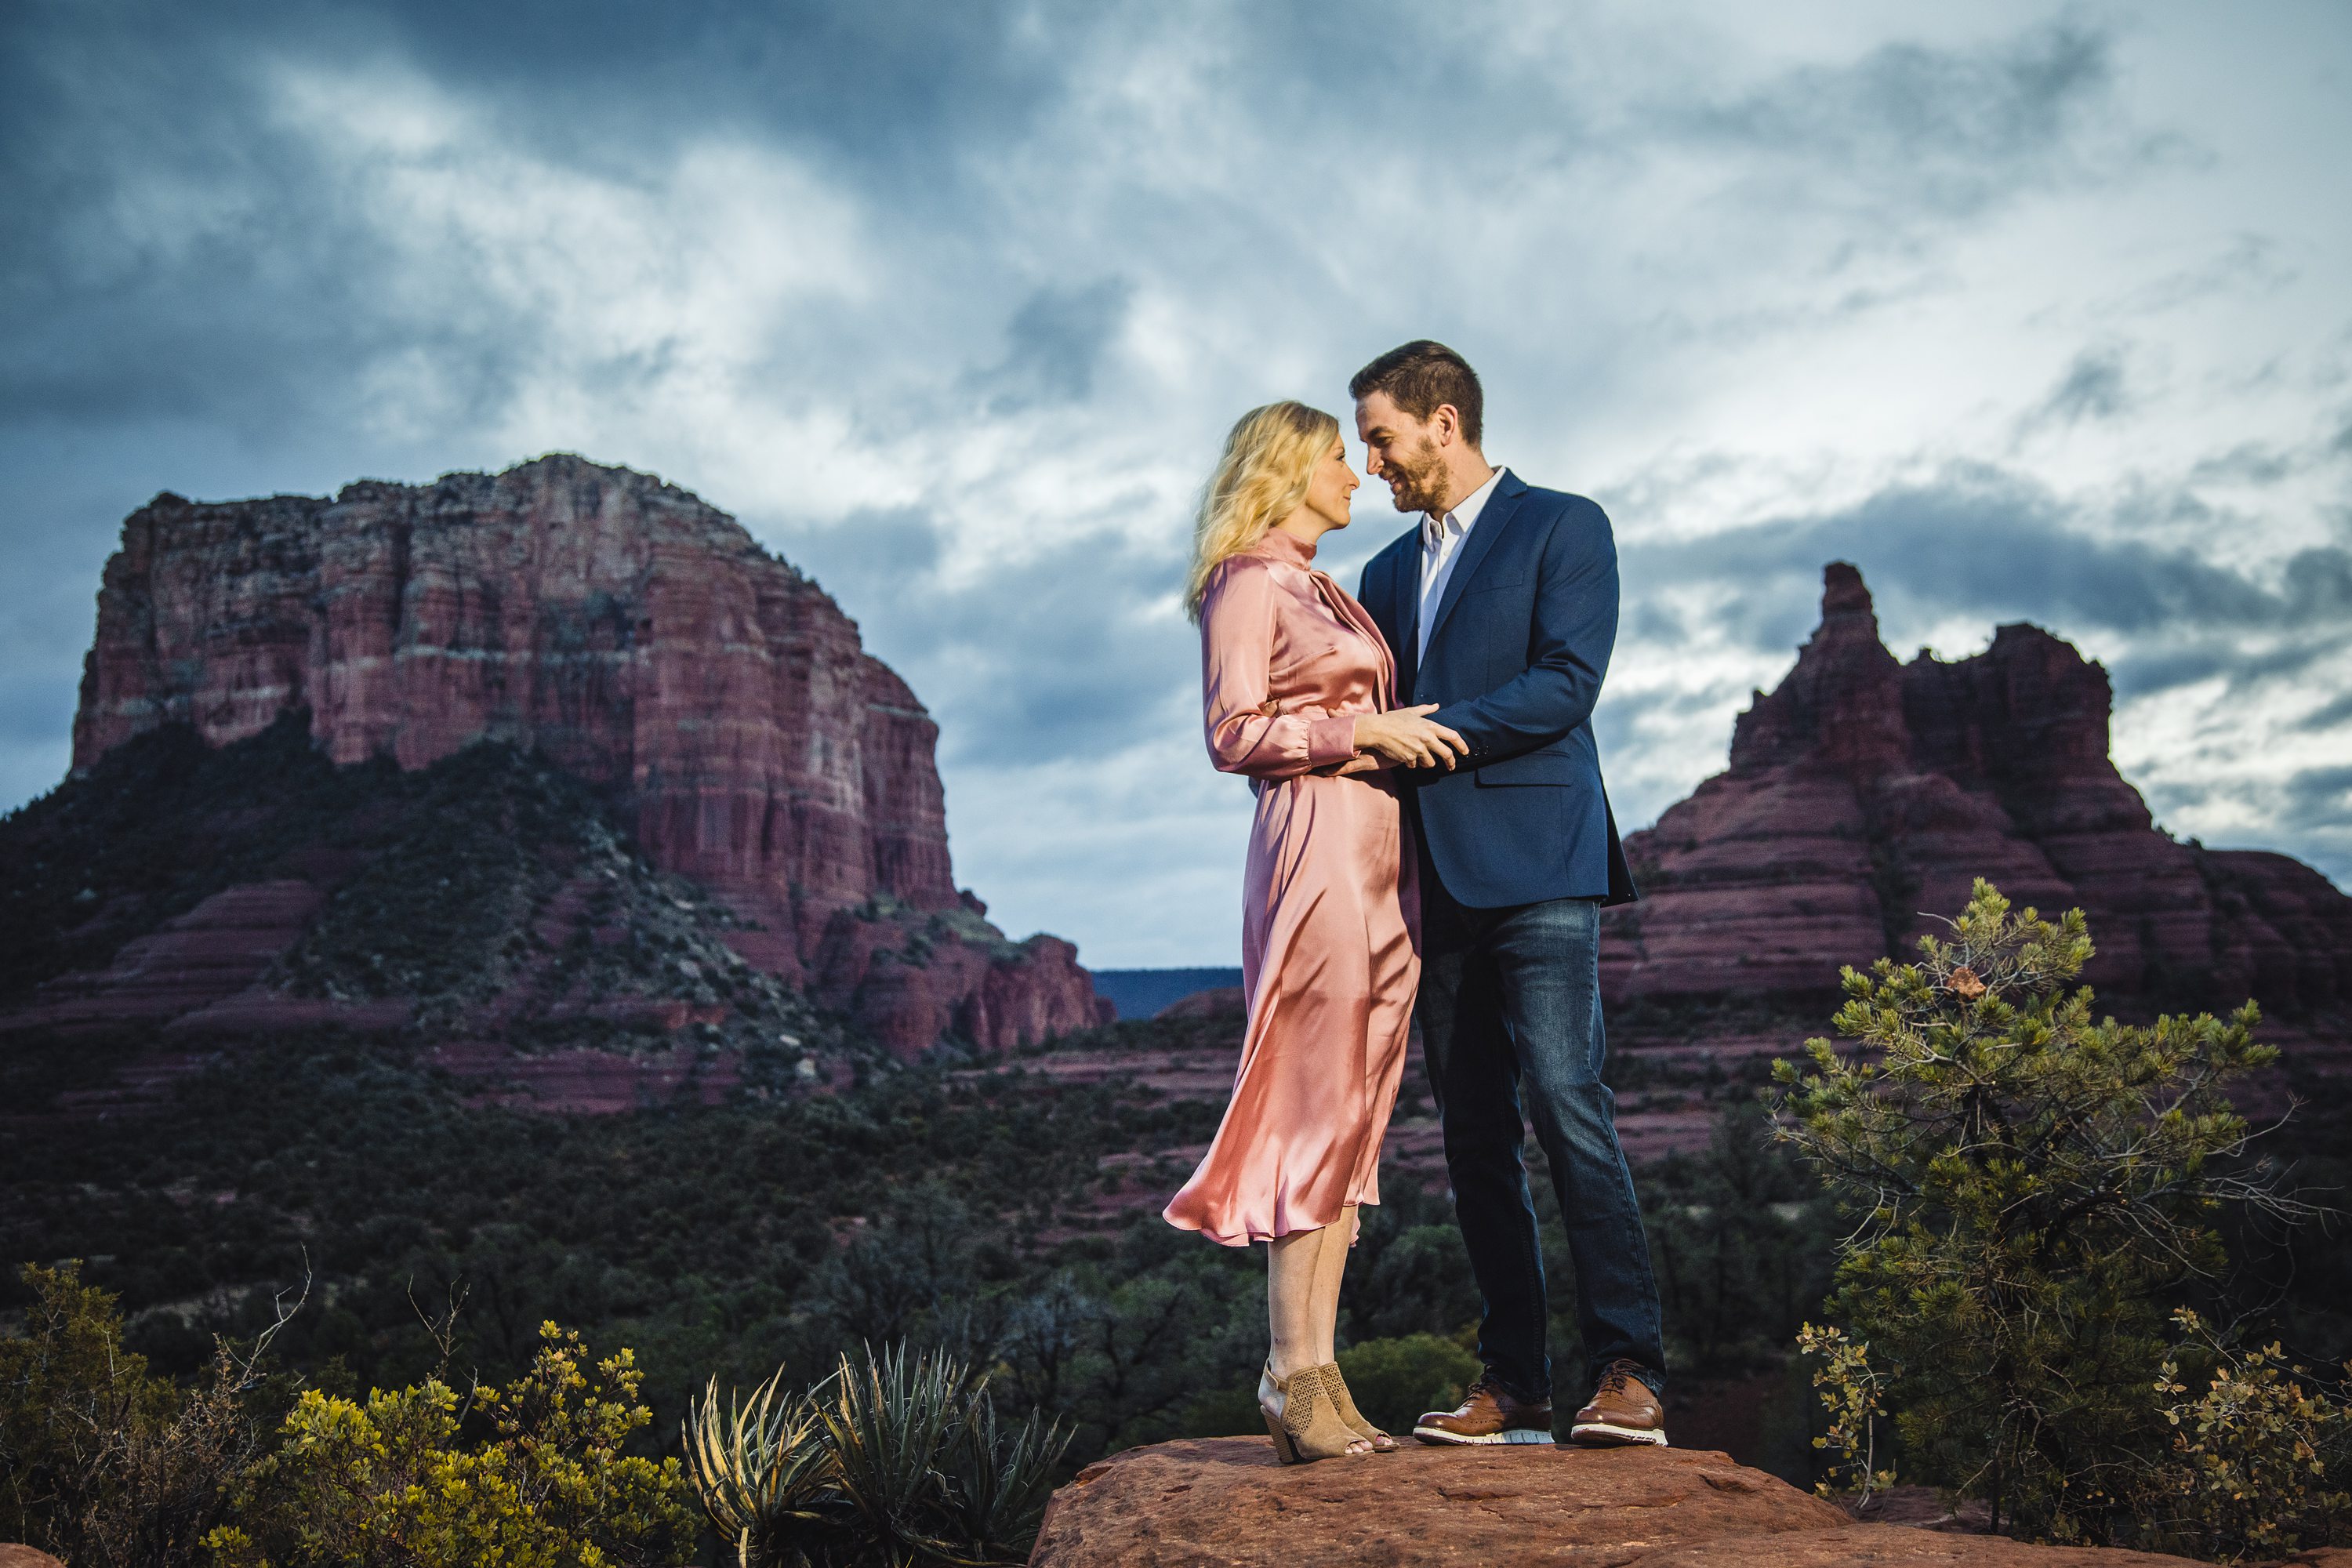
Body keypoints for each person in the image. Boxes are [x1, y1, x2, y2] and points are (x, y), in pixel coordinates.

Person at [1352, 341, 1669, 1448]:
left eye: (1383, 439)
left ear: (1445, 421)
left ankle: (1629, 1372)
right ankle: (1515, 1385)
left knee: (1570, 1107)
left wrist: (1429, 729)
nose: (1374, 465)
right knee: (1473, 1136)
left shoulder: (1565, 526)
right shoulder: (1383, 577)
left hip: (1541, 862)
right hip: (1431, 884)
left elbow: (1568, 683)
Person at [1163, 400, 1468, 1463]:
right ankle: (1293, 1376)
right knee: (1313, 1104)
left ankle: (1315, 1376)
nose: (1357, 470)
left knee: (1352, 1117)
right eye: (1341, 455)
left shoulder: (1319, 583)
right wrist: (1360, 728)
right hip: (1318, 850)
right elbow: (1232, 733)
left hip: (1380, 862)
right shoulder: (1247, 580)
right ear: (1289, 469)